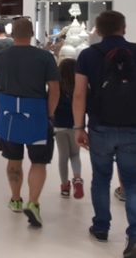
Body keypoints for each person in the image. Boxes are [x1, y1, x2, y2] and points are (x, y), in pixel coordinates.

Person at [73, 11, 136, 257]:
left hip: (101, 126)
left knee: (101, 178)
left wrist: (78, 127)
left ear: (98, 30)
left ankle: (101, 227)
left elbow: (79, 94)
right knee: (134, 181)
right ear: (124, 28)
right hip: (135, 126)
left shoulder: (88, 55)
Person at [0, 18, 59, 228]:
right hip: (37, 116)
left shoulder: (0, 57)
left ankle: (16, 199)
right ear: (31, 34)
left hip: (9, 115)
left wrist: (0, 106)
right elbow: (54, 90)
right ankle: (33, 202)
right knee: (38, 161)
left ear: (12, 34)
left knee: (13, 159)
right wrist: (49, 114)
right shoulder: (45, 57)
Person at [52, 58, 84, 199]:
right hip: (76, 126)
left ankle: (65, 186)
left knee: (63, 157)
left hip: (59, 126)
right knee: (75, 154)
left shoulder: (56, 87)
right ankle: (77, 179)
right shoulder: (79, 87)